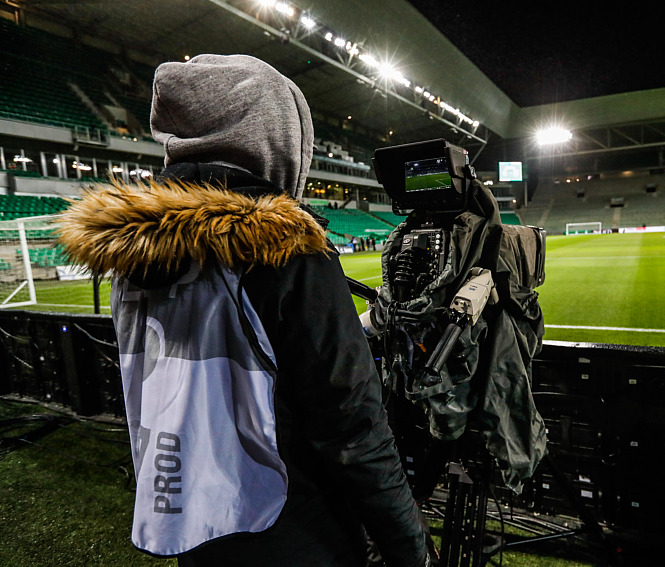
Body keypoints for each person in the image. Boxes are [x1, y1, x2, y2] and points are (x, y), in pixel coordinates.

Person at [58, 54, 428, 567]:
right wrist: (409, 546)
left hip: (196, 522)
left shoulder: (129, 251)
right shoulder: (285, 248)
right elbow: (352, 426)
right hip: (294, 528)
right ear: (275, 138)